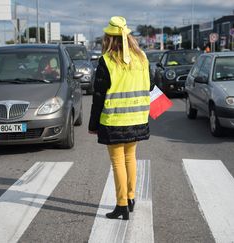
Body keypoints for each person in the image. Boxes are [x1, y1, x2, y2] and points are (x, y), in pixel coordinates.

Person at [88, 16, 151, 220]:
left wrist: (93, 124)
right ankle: (131, 198)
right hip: (137, 118)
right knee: (130, 158)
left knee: (118, 163)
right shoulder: (142, 57)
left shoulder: (107, 61)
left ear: (109, 38)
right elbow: (150, 86)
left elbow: (98, 95)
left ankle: (122, 204)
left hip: (114, 121)